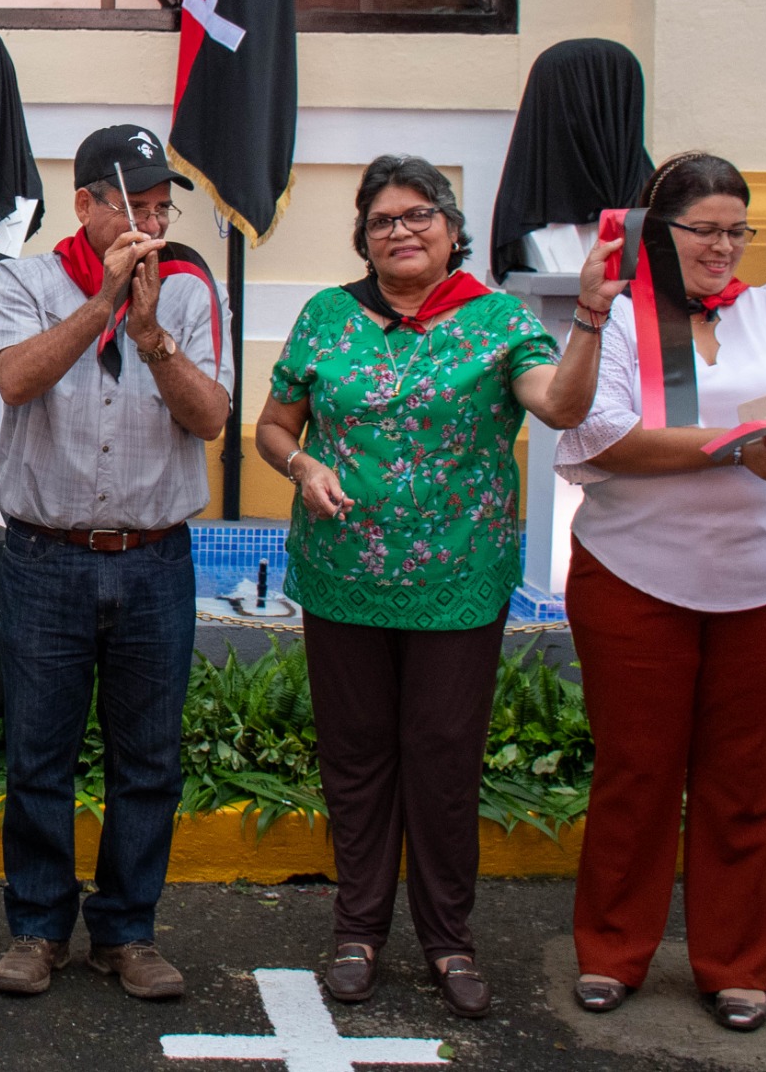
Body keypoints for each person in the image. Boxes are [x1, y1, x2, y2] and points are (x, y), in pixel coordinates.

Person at [254, 155, 611, 1020]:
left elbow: (559, 405)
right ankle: (357, 930)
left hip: (458, 580)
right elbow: (272, 425)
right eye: (383, 221)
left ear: (452, 230)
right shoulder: (327, 318)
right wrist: (300, 465)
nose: (401, 232)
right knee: (357, 759)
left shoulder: (498, 323)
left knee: (444, 759)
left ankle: (450, 940)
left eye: (418, 216)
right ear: (364, 239)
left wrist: (593, 318)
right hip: (344, 580)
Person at [555, 152, 766, 1034]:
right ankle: (612, 950)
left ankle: (734, 964)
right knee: (637, 772)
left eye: (738, 230)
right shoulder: (619, 319)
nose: (724, 247)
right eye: (706, 230)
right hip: (637, 579)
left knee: (746, 778)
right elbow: (600, 435)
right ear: (662, 233)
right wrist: (739, 442)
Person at [0, 124, 231, 1003]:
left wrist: (153, 329)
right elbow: (13, 380)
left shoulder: (193, 290)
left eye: (161, 208)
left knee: (148, 759)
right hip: (47, 558)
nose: (151, 222)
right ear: (86, 203)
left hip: (156, 559)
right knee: (40, 756)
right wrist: (104, 307)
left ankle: (126, 930)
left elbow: (209, 420)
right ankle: (39, 928)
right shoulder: (29, 280)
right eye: (134, 205)